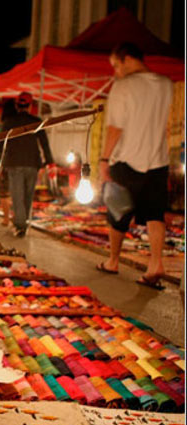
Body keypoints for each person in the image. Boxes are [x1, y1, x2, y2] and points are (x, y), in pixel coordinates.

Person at [96, 43, 173, 290]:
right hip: (158, 159)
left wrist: (104, 160)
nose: (116, 72)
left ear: (127, 58)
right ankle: (156, 264)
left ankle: (113, 260)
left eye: (116, 66)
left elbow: (115, 127)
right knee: (154, 213)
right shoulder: (165, 84)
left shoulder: (124, 86)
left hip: (126, 160)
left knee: (118, 213)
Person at [0, 92, 53, 236]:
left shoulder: (9, 122)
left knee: (17, 194)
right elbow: (44, 143)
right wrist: (50, 161)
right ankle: (23, 223)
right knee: (28, 194)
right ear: (30, 106)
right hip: (32, 163)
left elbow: (2, 140)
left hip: (14, 162)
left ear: (16, 105)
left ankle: (20, 226)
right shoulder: (36, 121)